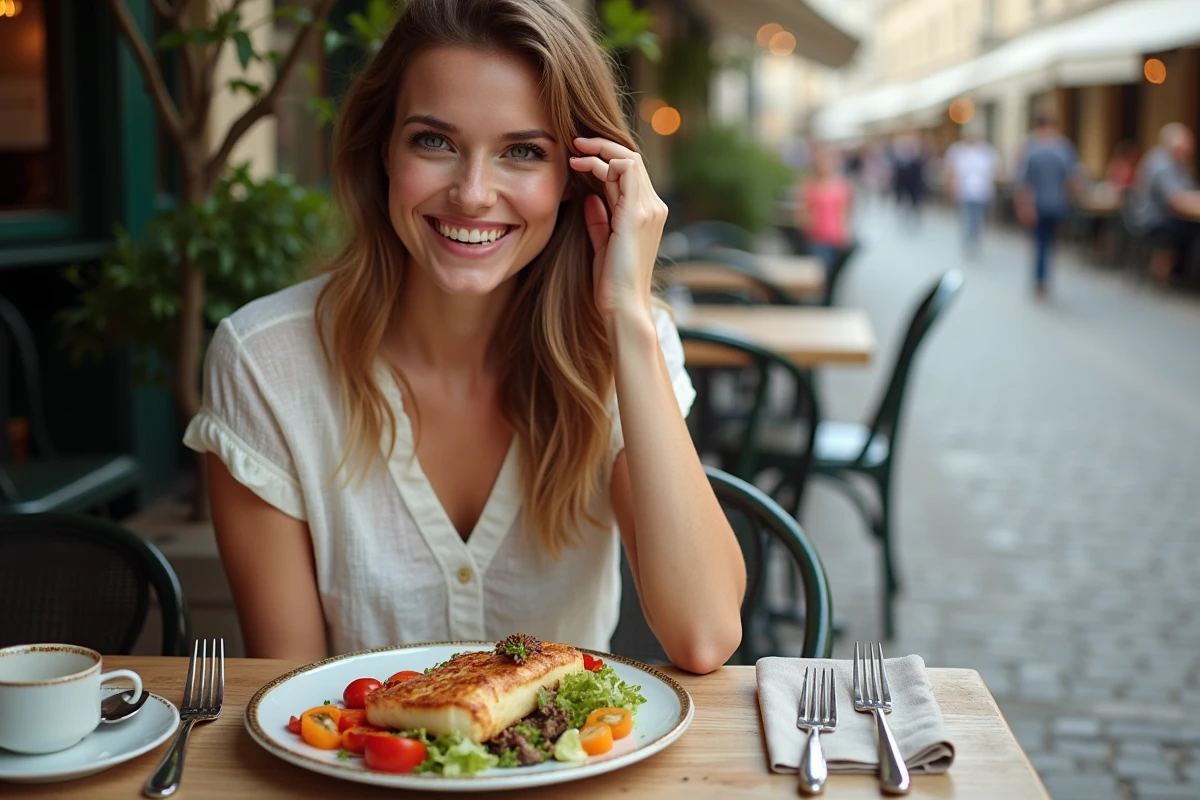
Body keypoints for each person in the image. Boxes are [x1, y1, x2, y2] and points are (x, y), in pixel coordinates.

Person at [183, 0, 746, 671]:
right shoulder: (264, 363)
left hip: (572, 772)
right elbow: (288, 689)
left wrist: (627, 312)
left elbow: (704, 634)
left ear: (578, 178)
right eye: (435, 141)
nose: (473, 194)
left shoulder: (624, 345)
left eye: (523, 151)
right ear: (382, 150)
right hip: (360, 770)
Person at [1015, 110, 1081, 298]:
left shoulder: (1030, 148)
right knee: (1050, 242)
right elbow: (1073, 179)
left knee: (1040, 242)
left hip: (1037, 205)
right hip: (1057, 204)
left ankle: (1040, 279)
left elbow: (1024, 184)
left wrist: (1023, 207)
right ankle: (1044, 278)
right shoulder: (1064, 148)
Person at [1130, 123, 1200, 283]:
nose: (1190, 152)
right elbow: (1176, 200)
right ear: (1174, 147)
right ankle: (1182, 275)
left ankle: (1179, 272)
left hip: (1163, 216)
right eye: (1186, 148)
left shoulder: (1179, 164)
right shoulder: (1161, 164)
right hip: (1152, 220)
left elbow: (1189, 191)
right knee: (1194, 230)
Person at [794, 143, 853, 273]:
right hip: (816, 239)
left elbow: (844, 213)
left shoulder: (842, 185)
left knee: (831, 273)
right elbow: (802, 213)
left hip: (835, 239)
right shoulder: (809, 185)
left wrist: (845, 234)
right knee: (820, 273)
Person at [944, 123, 1000, 258]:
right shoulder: (958, 150)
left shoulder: (987, 151)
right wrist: (951, 188)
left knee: (977, 218)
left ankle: (974, 239)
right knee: (966, 217)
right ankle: (968, 240)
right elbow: (951, 171)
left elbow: (994, 170)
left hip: (981, 192)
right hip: (964, 191)